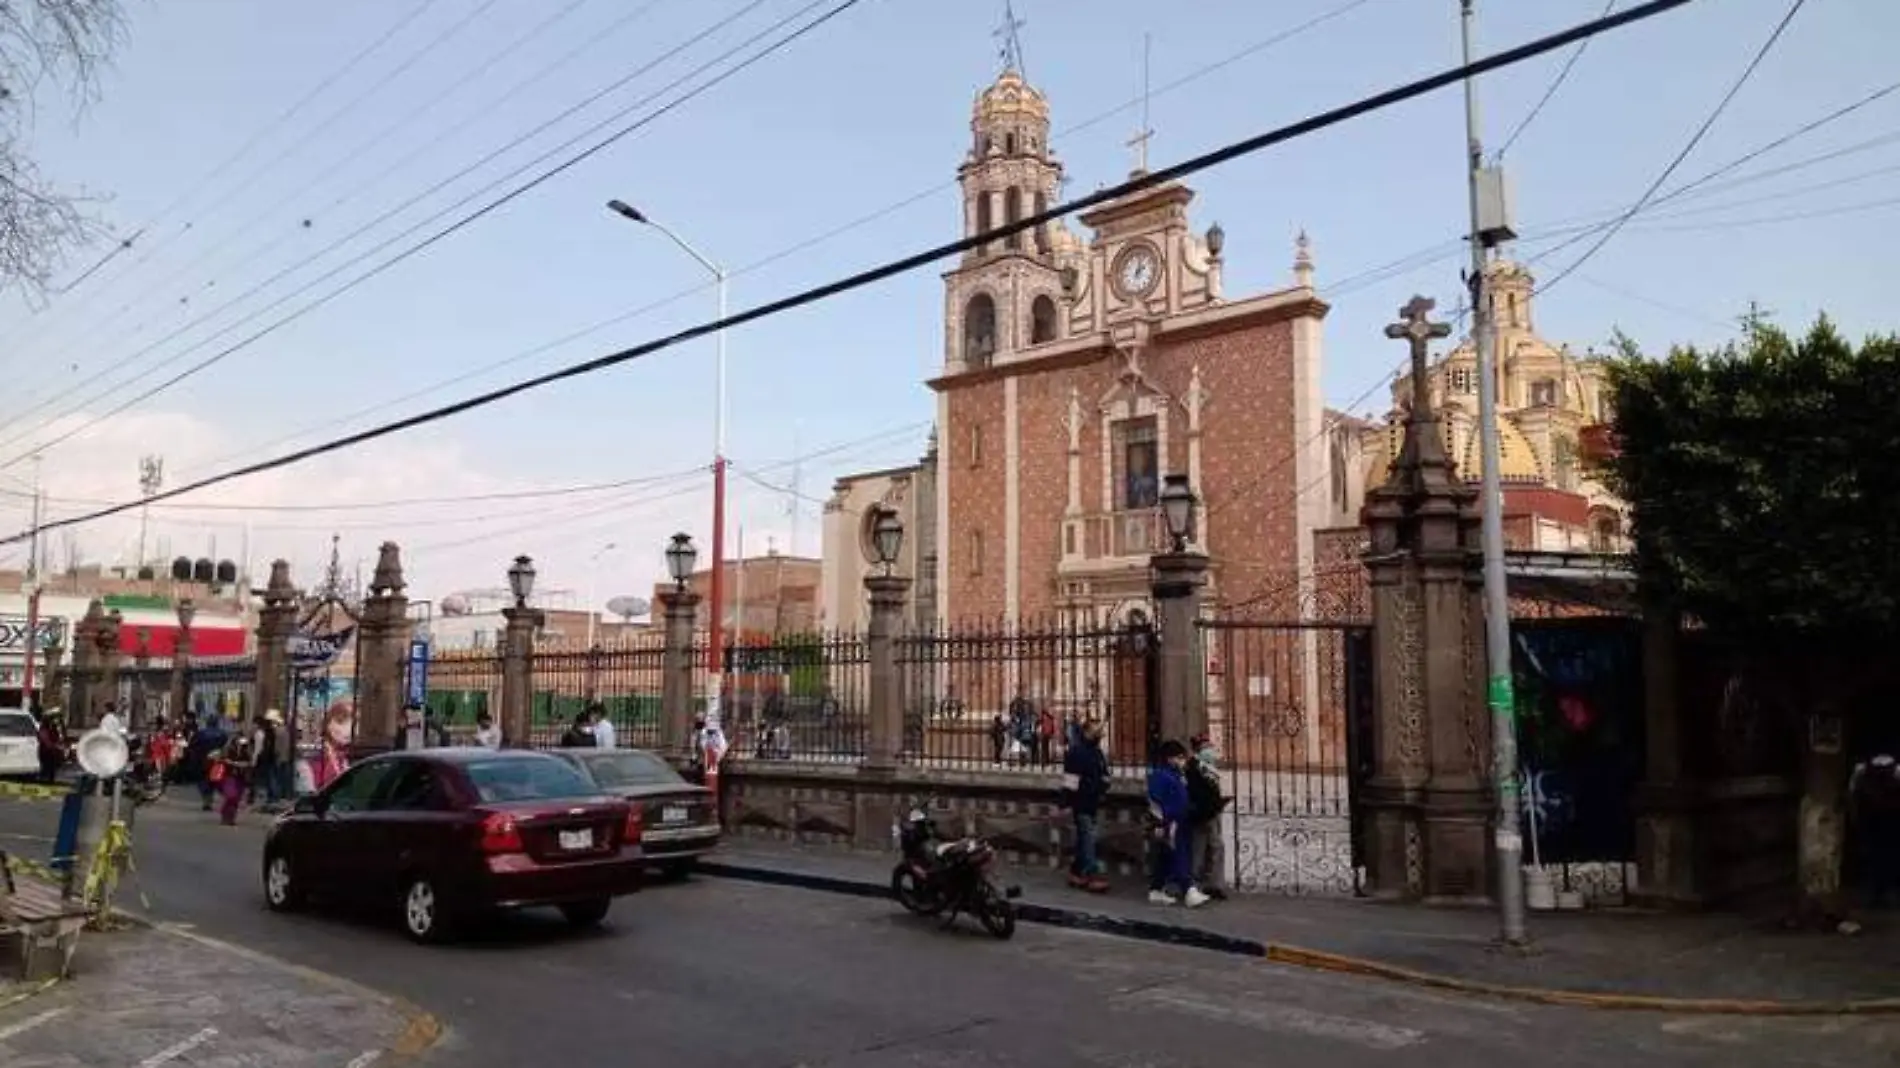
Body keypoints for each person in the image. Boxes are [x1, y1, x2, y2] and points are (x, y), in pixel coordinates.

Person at [1145, 740, 1207, 908]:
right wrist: (1160, 823)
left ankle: (1156, 889)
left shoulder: (1176, 774)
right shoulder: (1159, 775)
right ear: (1169, 758)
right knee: (1179, 855)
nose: (1182, 761)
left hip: (1180, 819)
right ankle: (1188, 890)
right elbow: (1156, 803)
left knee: (1167, 856)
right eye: (1179, 757)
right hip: (1169, 822)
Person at [1061, 718, 1111, 892]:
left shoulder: (1097, 753)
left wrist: (1104, 784)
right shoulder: (1076, 752)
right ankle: (1092, 873)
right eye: (1096, 732)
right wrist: (1066, 803)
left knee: (1084, 838)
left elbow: (1104, 773)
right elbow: (1070, 781)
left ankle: (1076, 871)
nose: (1099, 735)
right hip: (1081, 802)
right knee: (1089, 838)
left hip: (1093, 801)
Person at [1185, 733, 1229, 901]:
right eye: (1205, 747)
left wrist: (1219, 802)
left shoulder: (1209, 766)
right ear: (1197, 749)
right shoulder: (1193, 767)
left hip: (1213, 813)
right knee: (1198, 850)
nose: (1209, 749)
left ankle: (1215, 884)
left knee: (1217, 847)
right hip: (1201, 815)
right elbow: (1194, 793)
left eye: (1209, 746)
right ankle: (1195, 885)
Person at [34, 707, 64, 784]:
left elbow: (58, 736)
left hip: (52, 751)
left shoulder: (54, 727)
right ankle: (44, 782)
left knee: (51, 769)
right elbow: (45, 740)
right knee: (46, 768)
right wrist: (55, 746)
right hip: (46, 751)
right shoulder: (45, 728)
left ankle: (49, 781)